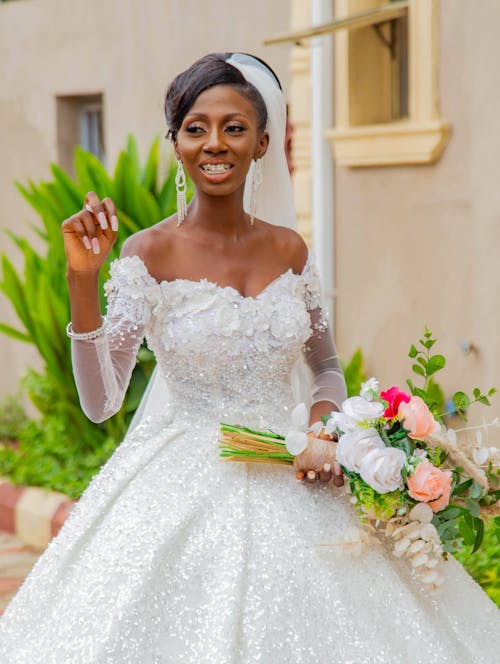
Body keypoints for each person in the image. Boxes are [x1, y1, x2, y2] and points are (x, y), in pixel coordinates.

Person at [0, 53, 498, 664]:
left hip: (292, 466)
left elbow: (326, 368)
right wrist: (84, 280)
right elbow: (102, 402)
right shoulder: (147, 252)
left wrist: (324, 428)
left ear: (263, 142)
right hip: (178, 478)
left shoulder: (290, 249)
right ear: (176, 142)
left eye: (234, 127)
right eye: (196, 127)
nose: (215, 143)